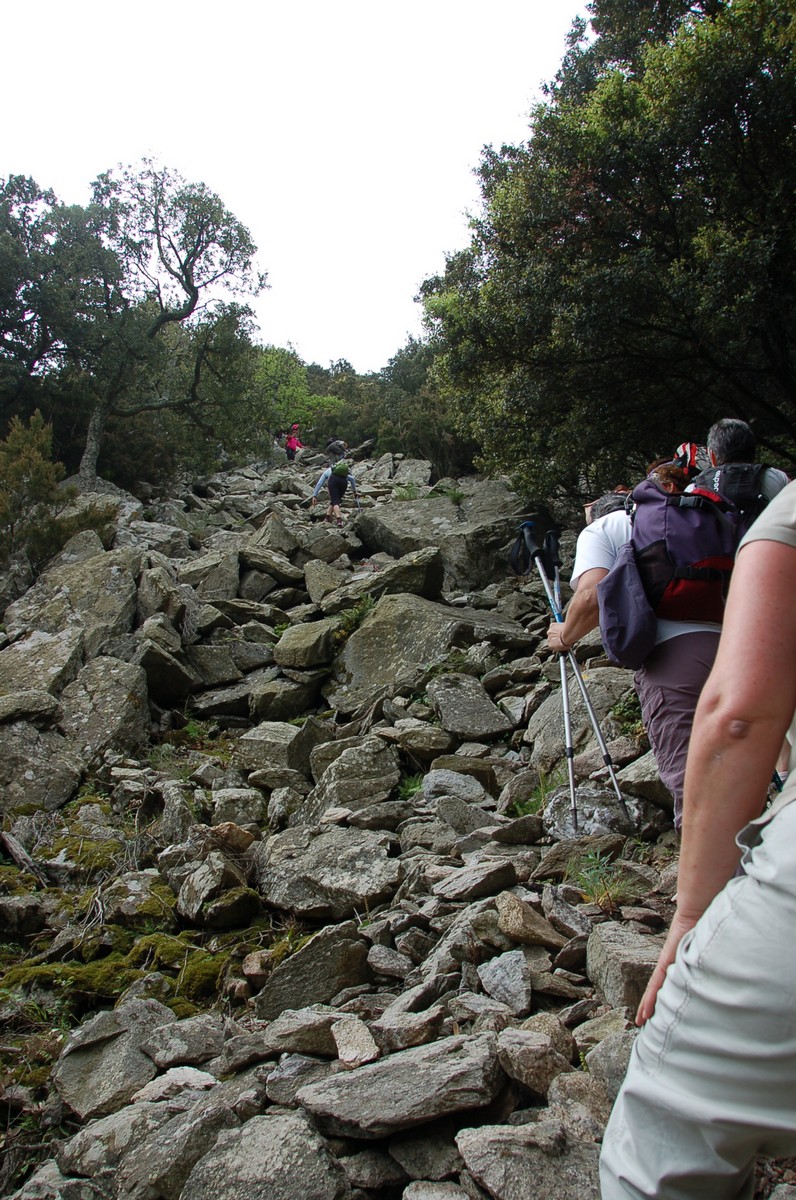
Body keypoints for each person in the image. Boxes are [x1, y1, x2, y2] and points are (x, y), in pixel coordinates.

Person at [600, 480, 796, 1200]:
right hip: (715, 637)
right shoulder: (741, 512)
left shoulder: (786, 517)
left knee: (659, 1149)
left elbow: (739, 718)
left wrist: (692, 916)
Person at [547, 461, 717, 829]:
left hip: (675, 660)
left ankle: (707, 867)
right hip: (736, 643)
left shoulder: (602, 529)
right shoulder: (692, 515)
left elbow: (590, 596)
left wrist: (565, 635)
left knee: (692, 784)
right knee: (746, 774)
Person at [311, 461, 358, 526]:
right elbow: (352, 479)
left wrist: (315, 495)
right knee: (335, 500)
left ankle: (339, 520)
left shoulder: (328, 471)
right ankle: (327, 518)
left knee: (335, 501)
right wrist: (354, 491)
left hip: (333, 481)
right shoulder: (344, 473)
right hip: (343, 483)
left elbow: (319, 483)